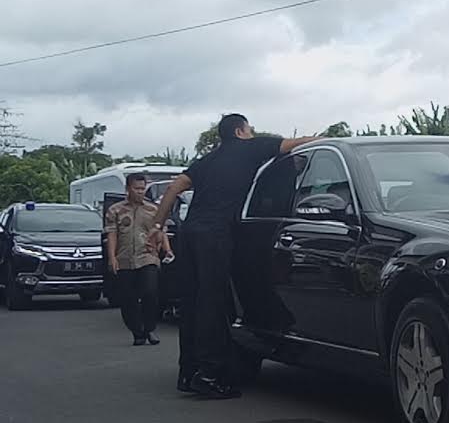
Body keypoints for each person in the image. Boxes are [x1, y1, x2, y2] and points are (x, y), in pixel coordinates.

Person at [154, 113, 319, 399]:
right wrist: (325, 139)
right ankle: (210, 375)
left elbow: (173, 188)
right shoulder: (252, 147)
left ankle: (189, 372)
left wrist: (157, 226)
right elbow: (299, 144)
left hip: (190, 233)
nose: (252, 133)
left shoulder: (208, 160)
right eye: (250, 128)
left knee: (192, 302)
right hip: (216, 235)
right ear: (241, 130)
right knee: (213, 303)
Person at [105, 173, 173, 346]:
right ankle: (137, 331)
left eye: (143, 189)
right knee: (128, 298)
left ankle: (150, 328)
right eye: (137, 188)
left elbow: (161, 231)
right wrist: (112, 257)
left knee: (151, 292)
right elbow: (112, 234)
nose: (140, 192)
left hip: (147, 257)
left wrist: (167, 250)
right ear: (128, 189)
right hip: (125, 258)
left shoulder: (153, 210)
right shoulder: (115, 210)